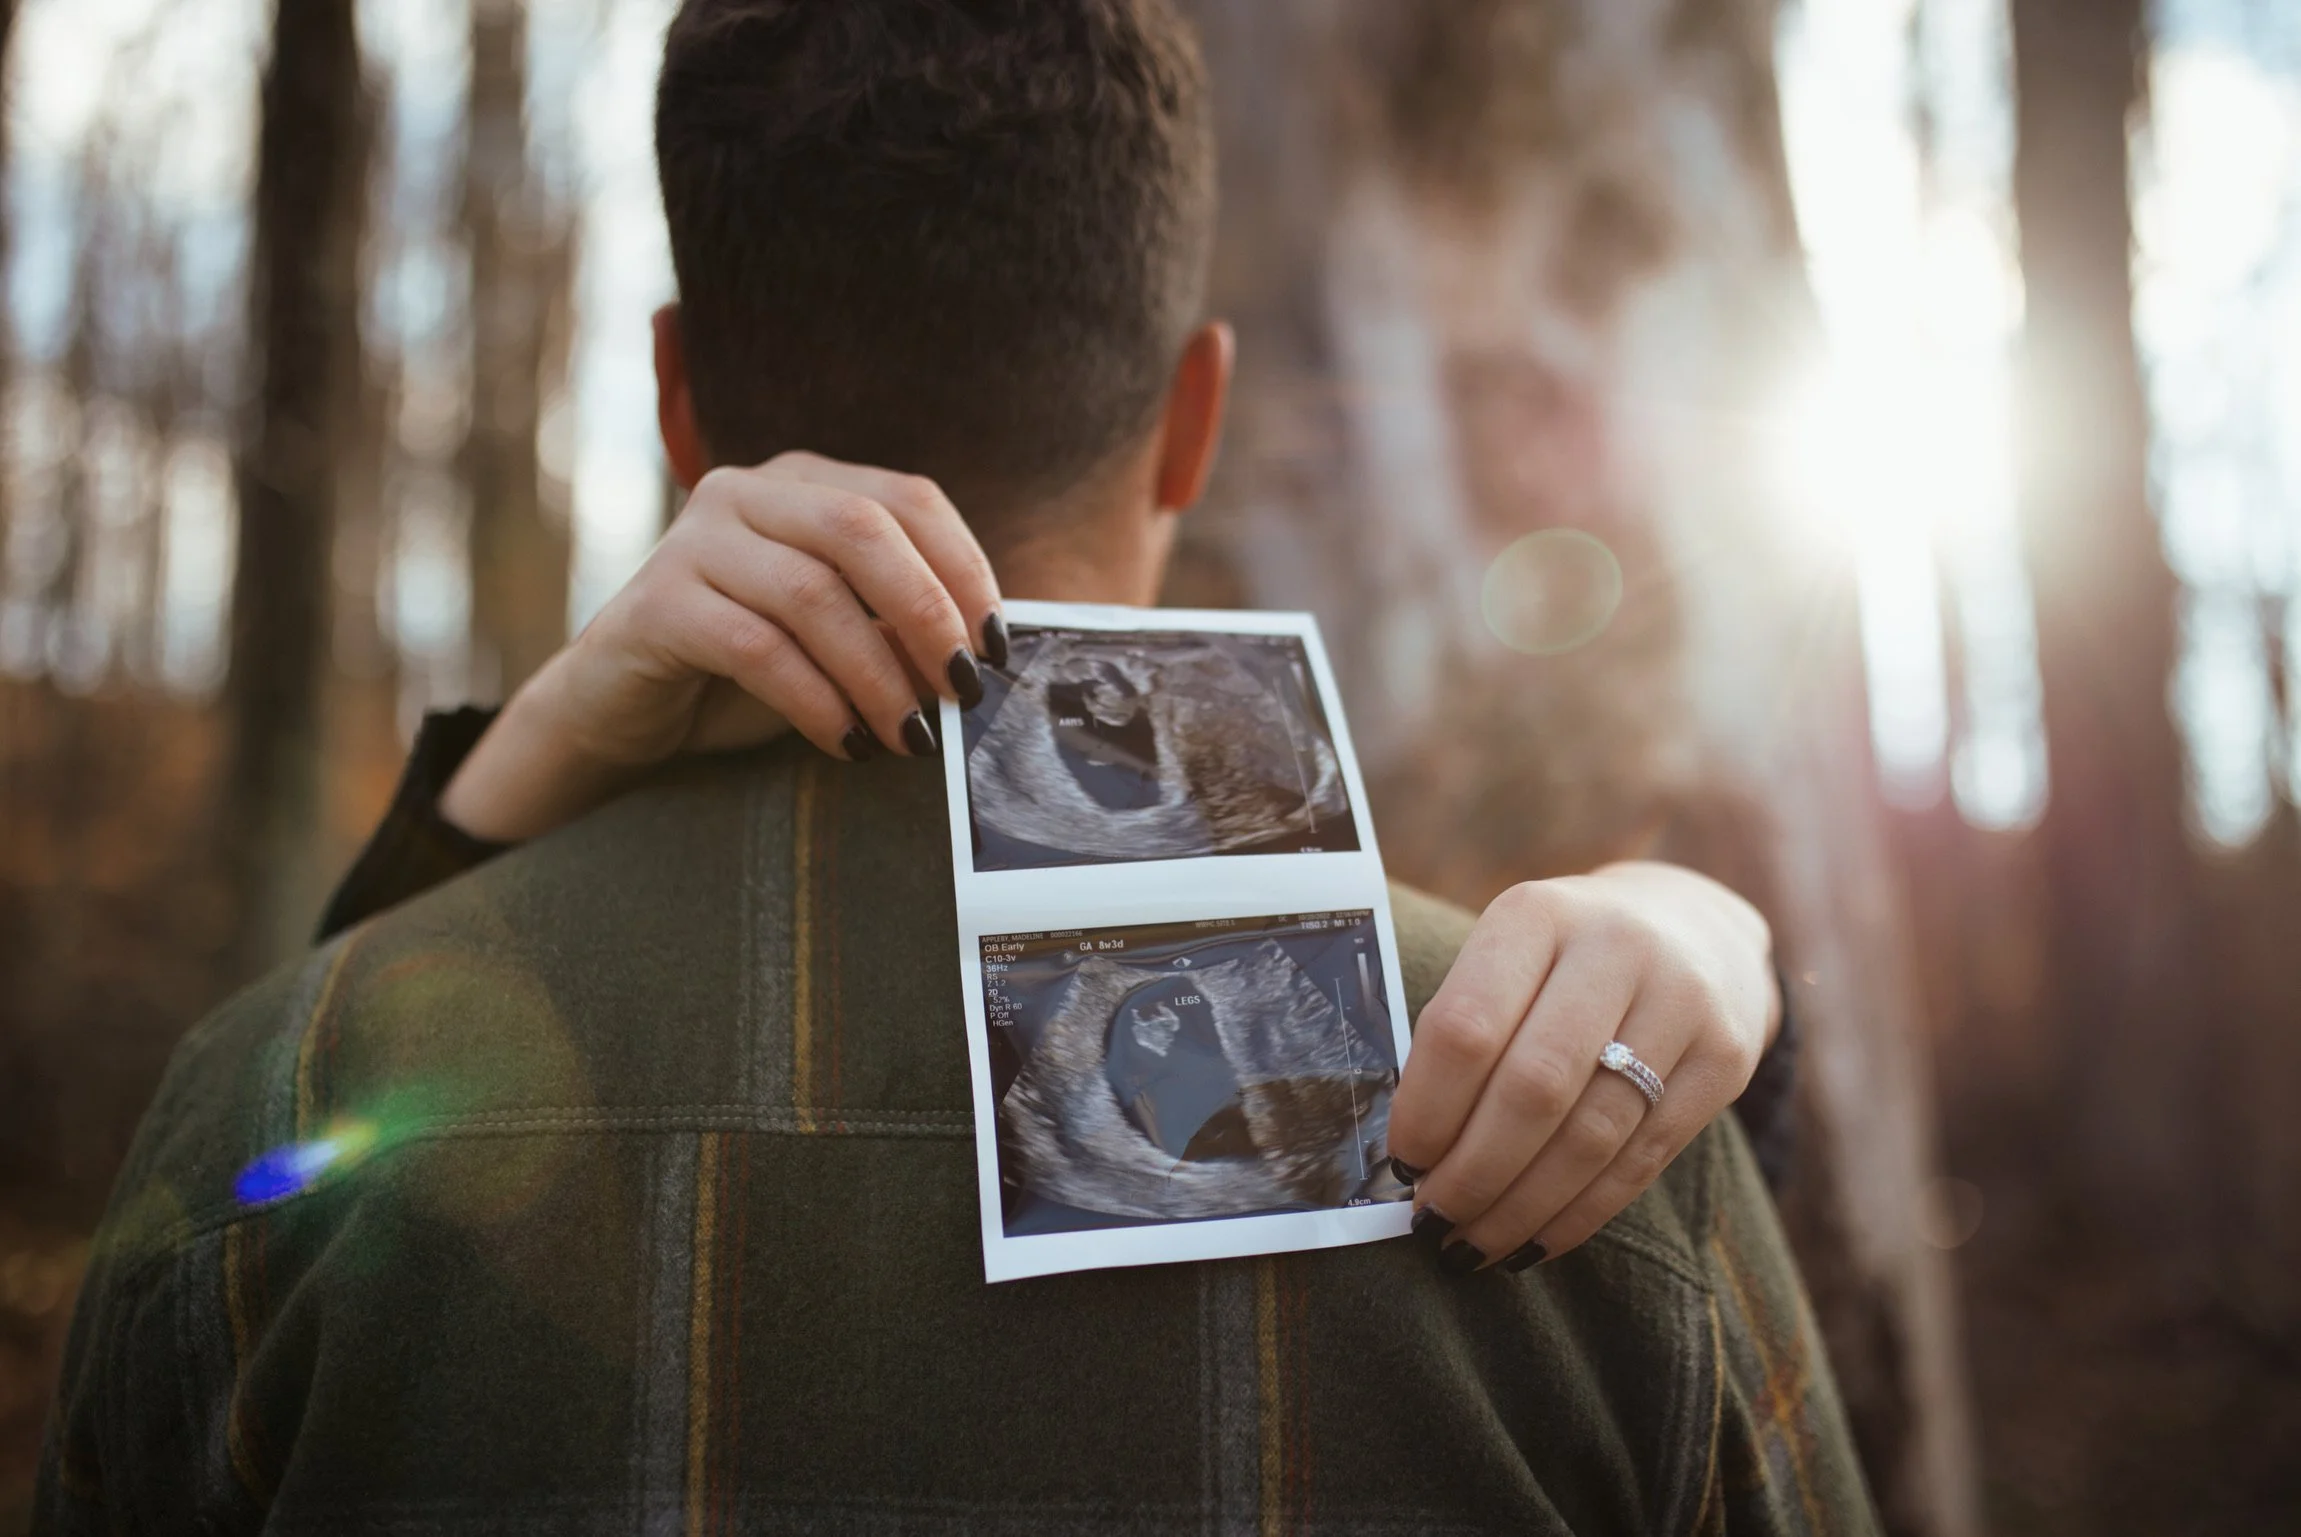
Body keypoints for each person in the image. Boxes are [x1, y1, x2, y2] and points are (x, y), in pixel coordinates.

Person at [37, 1, 1877, 1531]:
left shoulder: (271, 1105)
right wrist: (1725, 959)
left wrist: (496, 801)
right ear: (1195, 417)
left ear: (678, 398)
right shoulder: (1583, 1135)